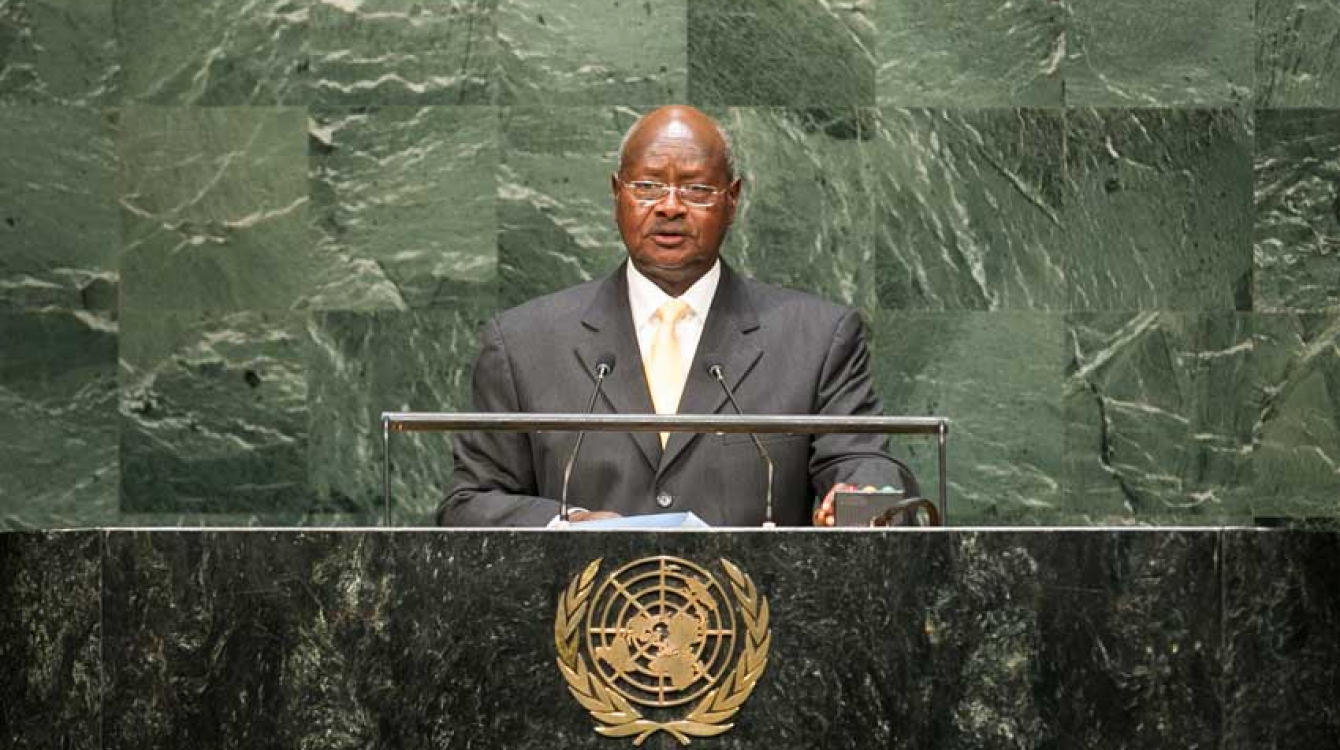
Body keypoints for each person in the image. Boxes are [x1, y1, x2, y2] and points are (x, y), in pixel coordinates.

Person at [438, 105, 915, 527]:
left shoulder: (816, 338)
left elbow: (864, 464)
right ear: (617, 194)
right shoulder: (524, 342)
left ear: (732, 199)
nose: (669, 206)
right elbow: (469, 503)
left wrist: (861, 497)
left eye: (697, 189)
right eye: (647, 186)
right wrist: (570, 524)